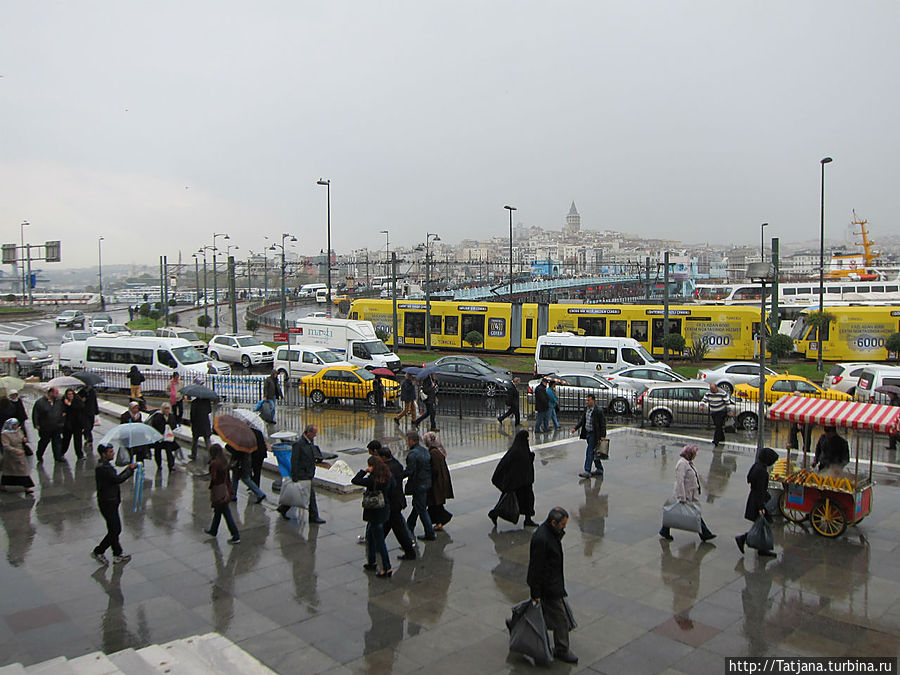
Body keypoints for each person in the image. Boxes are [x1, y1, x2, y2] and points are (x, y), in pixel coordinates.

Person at [527, 507, 578, 664]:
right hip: (548, 587)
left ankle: (515, 624)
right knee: (561, 618)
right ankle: (562, 649)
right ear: (553, 522)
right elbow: (535, 569)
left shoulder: (551, 533)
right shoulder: (542, 539)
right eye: (562, 524)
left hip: (553, 583)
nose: (564, 528)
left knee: (540, 613)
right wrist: (535, 592)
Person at [91, 443, 138, 565]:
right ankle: (99, 550)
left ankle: (117, 553)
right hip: (108, 502)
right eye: (110, 452)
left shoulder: (105, 466)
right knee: (115, 529)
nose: (113, 454)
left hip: (110, 500)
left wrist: (127, 469)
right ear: (103, 454)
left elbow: (114, 478)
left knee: (113, 529)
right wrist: (130, 471)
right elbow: (117, 479)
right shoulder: (103, 468)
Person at [659, 445, 716, 542]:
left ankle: (665, 530)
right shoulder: (682, 464)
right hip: (686, 494)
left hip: (690, 493)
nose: (695, 456)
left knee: (686, 512)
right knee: (694, 513)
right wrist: (682, 497)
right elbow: (680, 481)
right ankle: (705, 534)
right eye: (694, 454)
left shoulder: (688, 463)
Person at [371, 442, 416, 561]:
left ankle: (409, 552)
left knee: (398, 528)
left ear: (384, 458)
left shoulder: (387, 469)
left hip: (392, 502)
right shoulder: (397, 464)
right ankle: (377, 545)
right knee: (388, 524)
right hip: (398, 500)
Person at [351, 455, 394, 578]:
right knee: (370, 535)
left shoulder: (372, 480)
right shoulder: (388, 476)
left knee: (379, 540)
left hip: (374, 511)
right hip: (384, 508)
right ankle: (371, 561)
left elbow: (355, 480)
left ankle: (387, 568)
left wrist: (364, 471)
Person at [276, 424, 326, 524]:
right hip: (302, 474)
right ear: (309, 433)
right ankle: (313, 516)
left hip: (309, 473)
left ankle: (283, 508)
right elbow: (294, 461)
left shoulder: (310, 442)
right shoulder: (298, 444)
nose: (315, 435)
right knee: (310, 495)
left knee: (298, 493)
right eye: (314, 433)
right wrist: (295, 476)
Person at [489, 429, 537, 527]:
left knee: (526, 500)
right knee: (508, 501)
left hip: (523, 482)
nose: (528, 439)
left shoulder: (521, 449)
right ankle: (494, 513)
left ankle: (528, 519)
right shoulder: (516, 451)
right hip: (518, 483)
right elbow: (506, 465)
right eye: (527, 437)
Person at [735, 447, 778, 557]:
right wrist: (761, 507)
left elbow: (750, 480)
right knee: (763, 524)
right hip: (758, 501)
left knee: (762, 524)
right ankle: (743, 539)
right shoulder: (762, 472)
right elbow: (760, 490)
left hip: (753, 498)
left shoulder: (757, 466)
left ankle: (761, 549)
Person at [204, 444, 240, 544]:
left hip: (218, 491)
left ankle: (235, 535)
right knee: (218, 511)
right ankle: (213, 530)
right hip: (225, 489)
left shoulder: (214, 463)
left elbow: (214, 478)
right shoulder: (224, 461)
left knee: (226, 513)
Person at [403, 429, 435, 541]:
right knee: (418, 506)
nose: (407, 442)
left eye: (407, 440)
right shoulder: (425, 451)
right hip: (427, 482)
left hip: (418, 483)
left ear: (412, 441)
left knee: (421, 509)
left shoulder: (412, 454)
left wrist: (398, 476)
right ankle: (410, 525)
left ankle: (430, 533)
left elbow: (409, 471)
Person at [423, 431, 453, 532]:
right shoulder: (437, 451)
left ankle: (442, 520)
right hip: (440, 481)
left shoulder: (433, 453)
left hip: (437, 483)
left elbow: (435, 469)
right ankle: (439, 523)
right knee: (436, 505)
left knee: (435, 504)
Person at [572, 394, 606, 479]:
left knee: (589, 452)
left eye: (589, 400)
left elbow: (603, 424)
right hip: (588, 433)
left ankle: (587, 470)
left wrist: (603, 435)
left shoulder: (598, 411)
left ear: (593, 400)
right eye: (586, 400)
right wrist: (575, 428)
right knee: (595, 452)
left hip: (594, 434)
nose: (587, 402)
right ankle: (599, 469)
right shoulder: (586, 409)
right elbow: (582, 420)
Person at [1, 418, 34, 494]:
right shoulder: (5, 434)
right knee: (9, 471)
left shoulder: (18, 430)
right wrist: (16, 451)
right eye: (15, 425)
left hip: (20, 454)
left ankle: (27, 487)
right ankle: (3, 485)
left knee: (23, 470)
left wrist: (23, 439)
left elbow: (21, 436)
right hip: (11, 456)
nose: (16, 426)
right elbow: (6, 446)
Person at [32, 386, 64, 463]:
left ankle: (58, 457)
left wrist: (62, 421)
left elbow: (63, 412)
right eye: (56, 393)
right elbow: (35, 414)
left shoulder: (59, 402)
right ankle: (39, 454)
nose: (57, 394)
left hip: (56, 426)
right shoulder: (40, 402)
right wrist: (36, 424)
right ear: (50, 393)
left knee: (57, 442)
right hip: (45, 426)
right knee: (44, 441)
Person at [148, 402, 180, 472]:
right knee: (157, 451)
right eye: (165, 409)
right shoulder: (158, 416)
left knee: (169, 451)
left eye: (168, 409)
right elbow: (155, 426)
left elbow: (174, 424)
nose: (167, 410)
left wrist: (169, 428)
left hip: (168, 438)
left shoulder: (171, 416)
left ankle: (171, 465)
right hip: (159, 437)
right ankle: (159, 465)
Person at [702, 383, 730, 447]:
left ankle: (716, 440)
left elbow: (727, 402)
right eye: (711, 390)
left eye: (713, 390)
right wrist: (702, 405)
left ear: (716, 388)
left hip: (721, 411)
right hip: (713, 411)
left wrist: (729, 411)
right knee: (718, 425)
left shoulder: (722, 393)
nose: (712, 391)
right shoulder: (708, 393)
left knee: (718, 425)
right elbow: (704, 400)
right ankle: (722, 438)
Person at [60, 387, 85, 460]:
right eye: (68, 394)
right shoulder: (63, 401)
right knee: (66, 440)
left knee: (78, 440)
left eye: (71, 394)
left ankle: (79, 454)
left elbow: (81, 408)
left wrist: (70, 404)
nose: (70, 396)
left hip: (77, 424)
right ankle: (61, 452)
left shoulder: (77, 401)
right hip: (68, 424)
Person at [189, 392, 213, 462]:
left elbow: (192, 415)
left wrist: (192, 422)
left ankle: (193, 454)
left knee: (195, 440)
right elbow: (209, 411)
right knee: (207, 441)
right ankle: (211, 456)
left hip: (197, 424)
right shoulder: (207, 402)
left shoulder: (194, 402)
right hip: (205, 423)